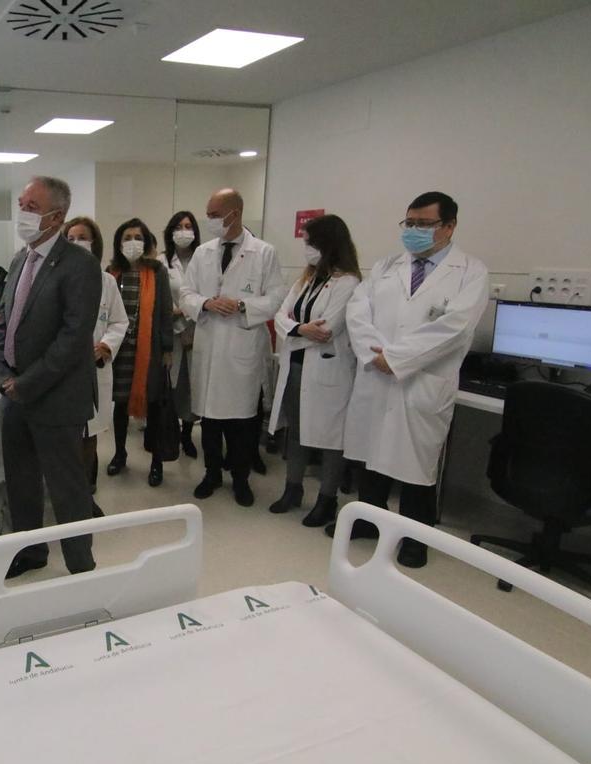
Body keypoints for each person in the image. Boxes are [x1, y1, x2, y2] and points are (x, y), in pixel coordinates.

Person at [331, 191, 488, 569]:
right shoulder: (387, 266)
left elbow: (455, 327)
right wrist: (376, 355)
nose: (414, 231)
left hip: (422, 381)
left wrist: (397, 359)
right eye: (410, 223)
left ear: (449, 227)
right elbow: (358, 312)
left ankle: (416, 538)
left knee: (416, 465)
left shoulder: (471, 272)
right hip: (378, 374)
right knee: (373, 456)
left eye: (424, 224)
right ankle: (370, 521)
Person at [0, 177, 103, 579]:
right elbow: (4, 323)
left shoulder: (80, 265)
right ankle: (30, 551)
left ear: (56, 216)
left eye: (31, 205)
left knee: (67, 488)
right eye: (21, 202)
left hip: (54, 396)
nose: (22, 211)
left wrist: (28, 383)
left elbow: (73, 339)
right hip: (15, 394)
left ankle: (81, 565)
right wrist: (5, 375)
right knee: (21, 482)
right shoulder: (20, 259)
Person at [179, 189, 284, 506]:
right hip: (210, 347)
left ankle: (241, 480)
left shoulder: (264, 253)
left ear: (234, 213)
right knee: (210, 420)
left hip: (242, 347)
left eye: (214, 214)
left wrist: (241, 305)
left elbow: (277, 298)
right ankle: (212, 474)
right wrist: (206, 302)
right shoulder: (203, 253)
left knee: (242, 422)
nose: (208, 220)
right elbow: (185, 293)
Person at [267, 214, 362, 527]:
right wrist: (298, 329)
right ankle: (292, 489)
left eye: (310, 242)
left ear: (328, 244)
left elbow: (328, 329)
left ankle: (327, 499)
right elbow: (280, 314)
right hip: (295, 368)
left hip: (327, 371)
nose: (306, 248)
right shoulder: (306, 279)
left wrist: (294, 330)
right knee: (296, 431)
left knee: (330, 438)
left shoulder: (348, 282)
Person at [64, 216, 128, 515]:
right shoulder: (56, 279)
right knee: (67, 436)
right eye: (71, 238)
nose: (77, 243)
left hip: (96, 368)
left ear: (95, 243)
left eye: (82, 237)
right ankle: (68, 495)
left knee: (91, 434)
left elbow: (119, 321)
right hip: (64, 372)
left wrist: (106, 345)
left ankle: (86, 493)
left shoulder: (107, 281)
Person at [105, 218, 174, 487]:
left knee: (154, 406)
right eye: (126, 237)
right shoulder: (112, 272)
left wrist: (167, 348)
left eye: (137, 237)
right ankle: (120, 453)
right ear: (118, 243)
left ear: (145, 242)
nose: (132, 242)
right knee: (119, 404)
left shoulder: (157, 271)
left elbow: (166, 311)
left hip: (150, 349)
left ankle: (156, 462)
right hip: (118, 350)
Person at [162, 211, 200, 458]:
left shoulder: (205, 259)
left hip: (199, 333)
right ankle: (170, 434)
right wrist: (180, 320)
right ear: (170, 232)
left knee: (192, 388)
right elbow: (158, 302)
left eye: (188, 226)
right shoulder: (161, 262)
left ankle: (187, 435)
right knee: (171, 388)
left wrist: (188, 320)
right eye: (178, 226)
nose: (183, 231)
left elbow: (207, 296)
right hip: (171, 335)